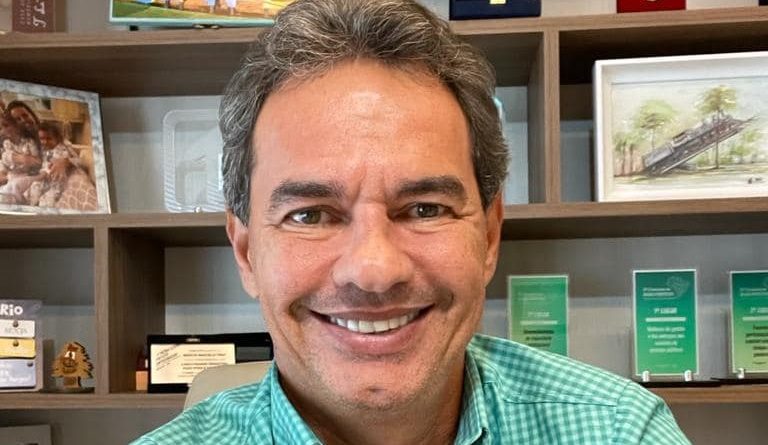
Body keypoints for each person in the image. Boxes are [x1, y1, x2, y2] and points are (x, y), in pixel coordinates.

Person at [133, 1, 691, 444]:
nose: (373, 271)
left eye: (425, 208)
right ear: (247, 252)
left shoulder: (621, 432)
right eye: (310, 214)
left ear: (489, 234)